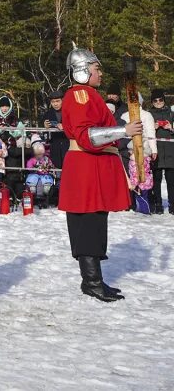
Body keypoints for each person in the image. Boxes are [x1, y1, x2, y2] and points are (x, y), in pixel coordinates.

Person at [60, 45, 140, 302]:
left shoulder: (90, 94)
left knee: (95, 223)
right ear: (83, 71)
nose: (101, 73)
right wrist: (122, 131)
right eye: (97, 69)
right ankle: (92, 282)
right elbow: (86, 137)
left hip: (94, 167)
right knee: (88, 224)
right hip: (86, 167)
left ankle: (94, 280)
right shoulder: (79, 95)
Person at [147, 88, 173, 214]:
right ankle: (158, 205)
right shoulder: (148, 114)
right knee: (156, 181)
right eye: (155, 100)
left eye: (160, 100)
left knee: (171, 181)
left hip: (170, 152)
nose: (158, 102)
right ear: (152, 102)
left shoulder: (171, 113)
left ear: (164, 100)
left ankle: (172, 205)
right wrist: (153, 128)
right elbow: (144, 132)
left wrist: (171, 127)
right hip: (155, 152)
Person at [25, 136, 55, 209]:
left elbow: (51, 164)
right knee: (33, 178)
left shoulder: (46, 159)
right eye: (37, 154)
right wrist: (33, 168)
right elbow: (28, 165)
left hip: (44, 174)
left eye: (41, 154)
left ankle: (46, 189)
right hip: (35, 173)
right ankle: (32, 188)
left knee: (46, 179)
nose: (39, 156)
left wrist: (49, 166)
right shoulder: (32, 159)